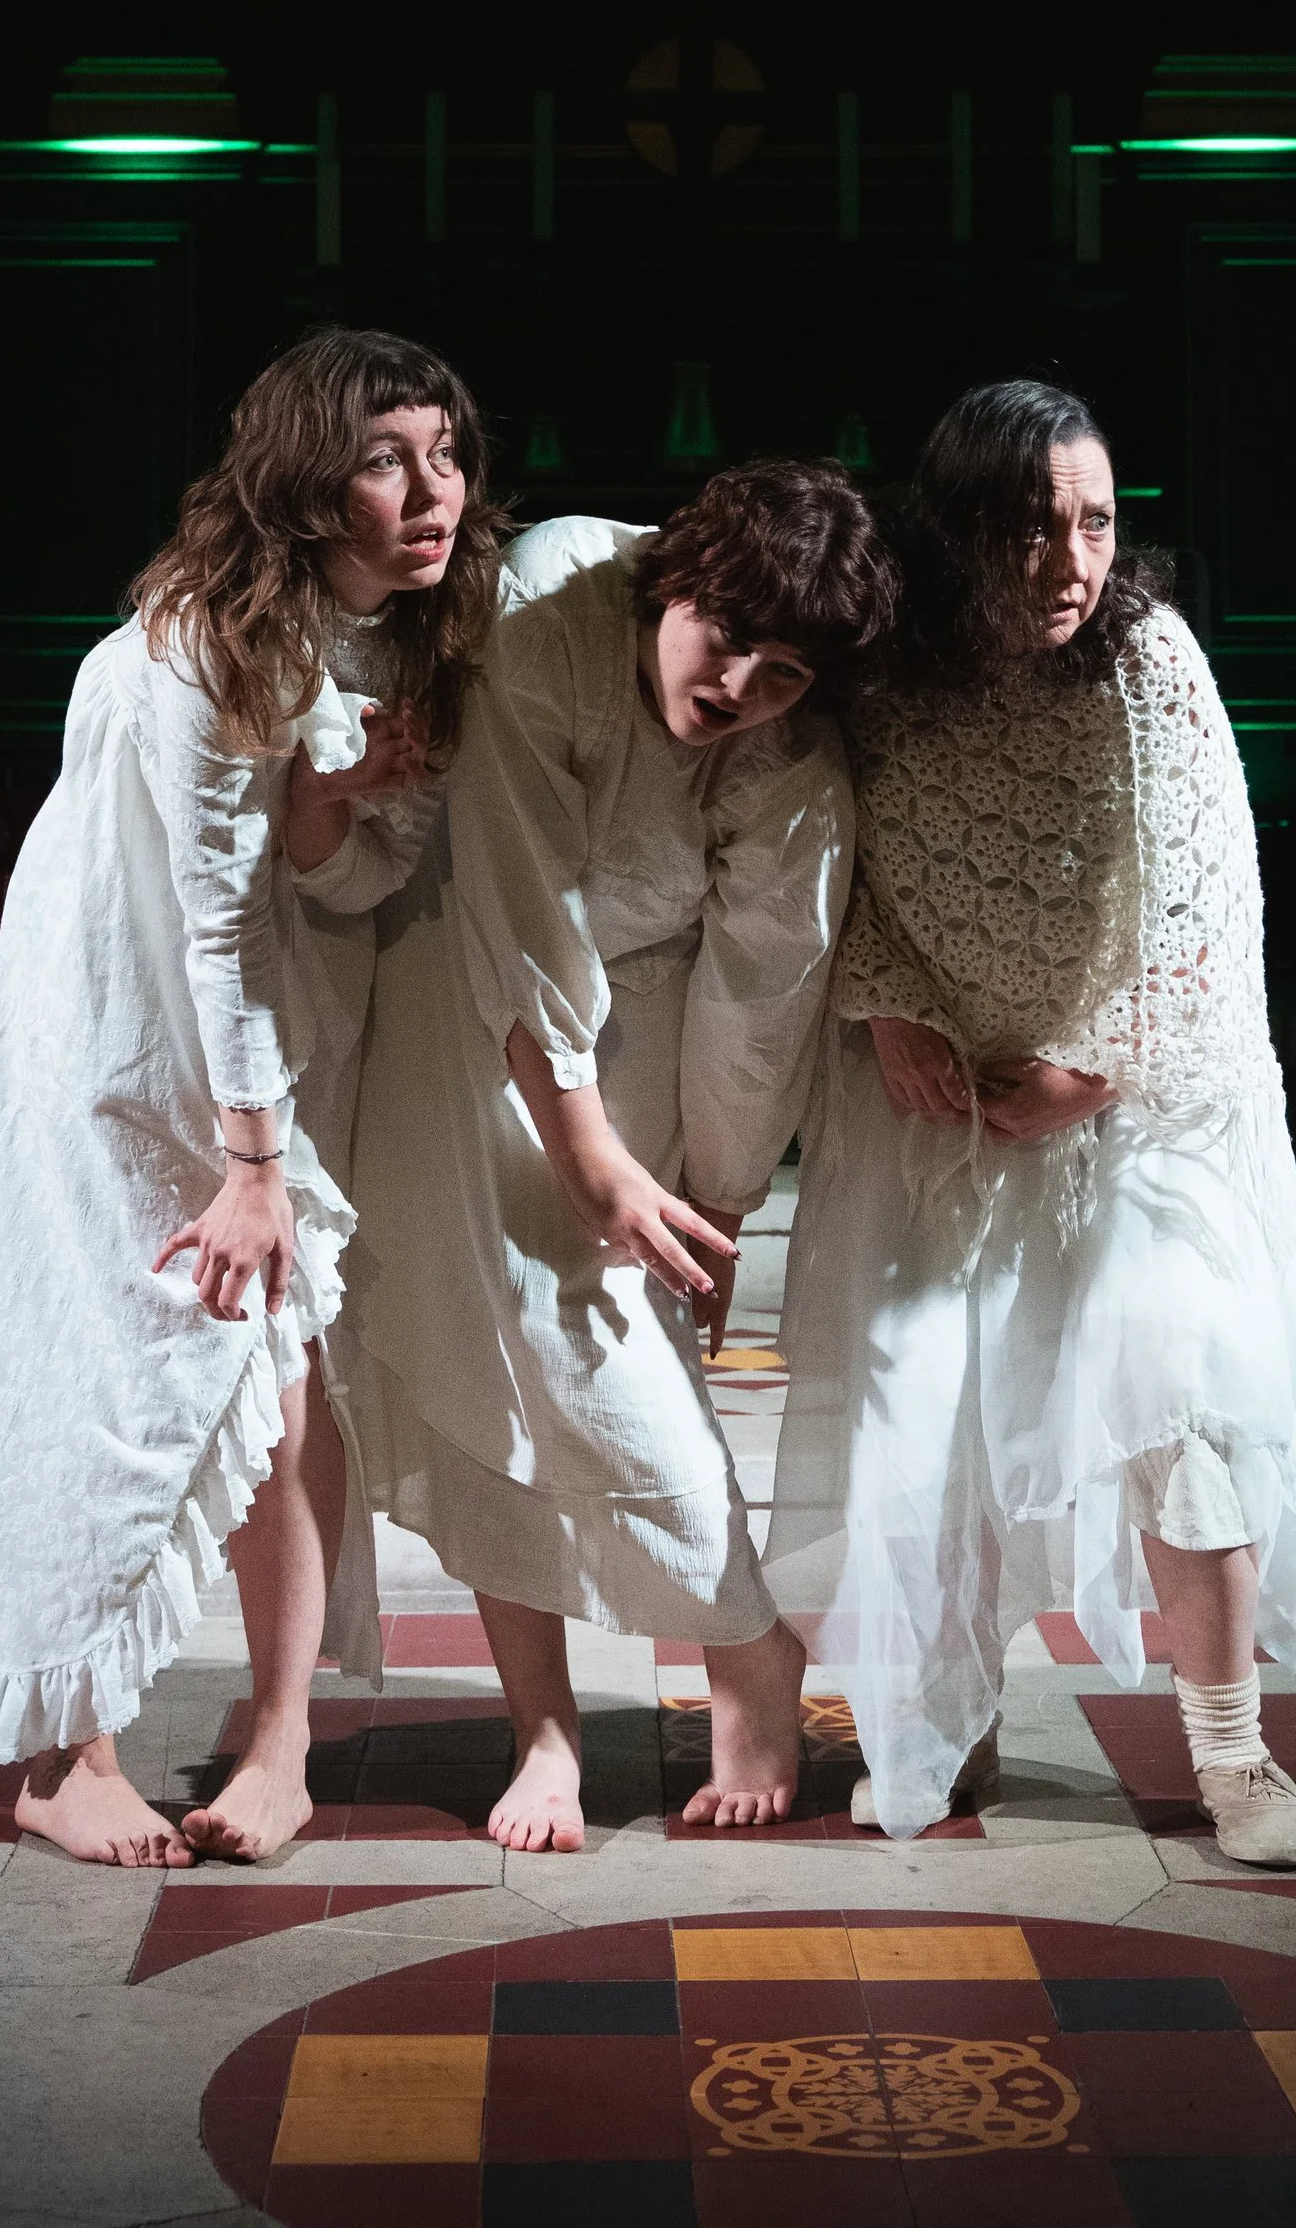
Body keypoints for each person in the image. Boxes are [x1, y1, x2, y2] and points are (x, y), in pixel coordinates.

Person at [0, 328, 503, 1867]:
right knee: (101, 1353)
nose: (432, 490)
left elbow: (352, 878)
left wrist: (330, 802)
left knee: (282, 1352)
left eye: (447, 453)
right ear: (309, 482)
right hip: (114, 1014)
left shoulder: (403, 645)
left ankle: (280, 1735)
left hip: (251, 1027)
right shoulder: (207, 633)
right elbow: (210, 915)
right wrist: (253, 1162)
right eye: (386, 458)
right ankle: (66, 1755)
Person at [766, 380, 1296, 1865]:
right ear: (964, 529)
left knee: (1181, 1403)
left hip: (1136, 1107)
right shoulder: (891, 673)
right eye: (1034, 526)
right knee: (936, 1415)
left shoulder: (1148, 660)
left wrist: (1095, 1067)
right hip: (953, 1104)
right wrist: (888, 1002)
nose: (1071, 559)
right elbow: (841, 862)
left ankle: (1233, 1756)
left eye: (1094, 523)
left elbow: (1211, 903)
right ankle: (948, 1721)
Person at [336, 463, 895, 1854]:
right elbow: (515, 887)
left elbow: (765, 984)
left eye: (784, 674)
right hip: (464, 1000)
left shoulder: (794, 761)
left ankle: (745, 1645)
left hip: (644, 1029)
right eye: (727, 641)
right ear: (677, 580)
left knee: (619, 1356)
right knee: (485, 1357)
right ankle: (545, 1727)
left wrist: (718, 1194)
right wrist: (584, 1154)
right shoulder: (555, 603)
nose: (741, 687)